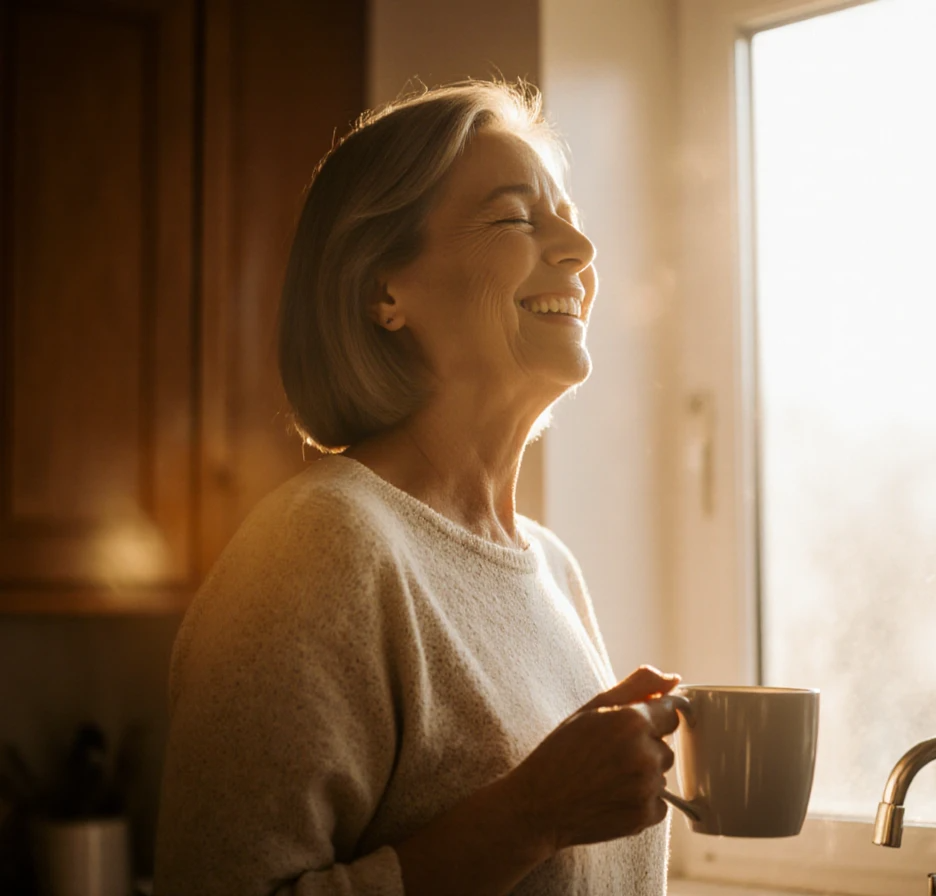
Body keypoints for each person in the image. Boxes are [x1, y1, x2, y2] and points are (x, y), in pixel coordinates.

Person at [154, 80, 683, 896]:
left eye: (570, 217)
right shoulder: (319, 544)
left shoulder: (552, 569)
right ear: (385, 292)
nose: (581, 249)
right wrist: (530, 815)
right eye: (516, 219)